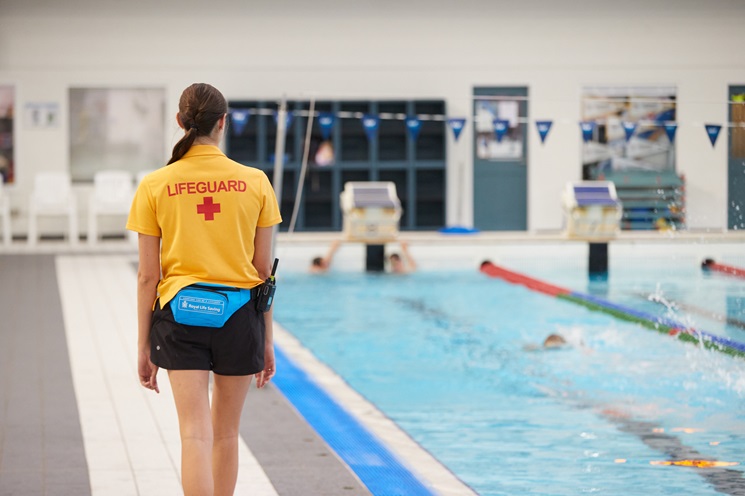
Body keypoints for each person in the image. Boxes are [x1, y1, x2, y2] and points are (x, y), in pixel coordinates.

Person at [126, 83, 282, 496]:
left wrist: (143, 345)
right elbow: (263, 270)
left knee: (194, 434)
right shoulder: (255, 182)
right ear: (223, 123)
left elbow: (147, 276)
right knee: (226, 435)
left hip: (180, 315)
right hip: (239, 317)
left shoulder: (156, 184)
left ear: (180, 123)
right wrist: (267, 339)